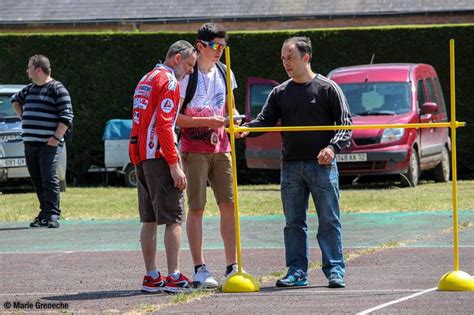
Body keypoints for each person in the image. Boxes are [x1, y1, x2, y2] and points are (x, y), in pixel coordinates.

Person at [240, 37, 352, 288]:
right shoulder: (280, 92)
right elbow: (264, 121)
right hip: (290, 167)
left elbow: (346, 124)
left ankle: (335, 270)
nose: (286, 63)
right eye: (283, 58)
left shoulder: (328, 88)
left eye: (290, 57)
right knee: (293, 223)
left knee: (329, 219)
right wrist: (246, 129)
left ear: (306, 58)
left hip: (322, 166)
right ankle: (297, 271)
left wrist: (332, 148)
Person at [129, 40, 197, 294]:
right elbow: (165, 126)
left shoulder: (145, 78)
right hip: (158, 156)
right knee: (173, 218)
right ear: (177, 58)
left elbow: (141, 120)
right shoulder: (168, 81)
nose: (190, 71)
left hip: (140, 156)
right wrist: (174, 164)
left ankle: (151, 276)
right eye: (189, 65)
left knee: (149, 218)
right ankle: (174, 276)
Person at [177, 22, 240, 288]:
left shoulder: (226, 72)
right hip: (194, 149)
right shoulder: (185, 77)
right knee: (197, 207)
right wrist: (207, 122)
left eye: (223, 46)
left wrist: (237, 124)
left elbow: (231, 110)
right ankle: (200, 268)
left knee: (229, 204)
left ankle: (232, 266)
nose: (219, 51)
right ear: (200, 46)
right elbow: (176, 119)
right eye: (215, 46)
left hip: (222, 147)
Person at [12, 55, 73, 229]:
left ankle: (53, 214)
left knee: (49, 179)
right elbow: (15, 100)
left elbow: (66, 116)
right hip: (30, 144)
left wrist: (55, 138)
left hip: (49, 145)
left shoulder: (57, 89)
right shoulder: (29, 89)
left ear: (38, 69)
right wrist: (23, 115)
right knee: (38, 180)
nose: (27, 71)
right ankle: (44, 213)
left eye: (29, 67)